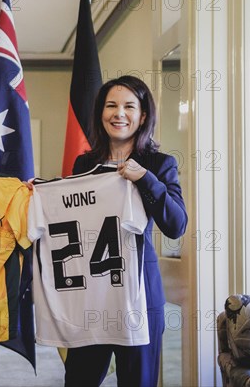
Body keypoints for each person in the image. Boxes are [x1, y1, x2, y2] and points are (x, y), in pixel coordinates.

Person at [65, 75, 188, 386]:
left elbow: (176, 225)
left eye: (129, 106)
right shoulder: (84, 164)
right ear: (101, 113)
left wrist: (145, 178)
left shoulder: (160, 164)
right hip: (92, 295)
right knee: (79, 379)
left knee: (138, 381)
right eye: (111, 105)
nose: (119, 113)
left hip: (141, 296)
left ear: (143, 115)